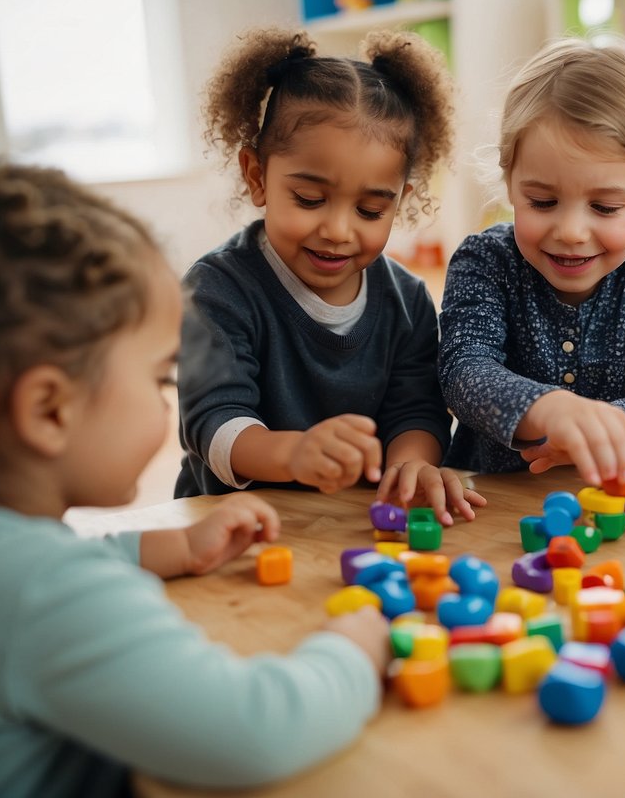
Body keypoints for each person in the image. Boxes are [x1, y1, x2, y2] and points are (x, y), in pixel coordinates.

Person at [0, 162, 391, 794]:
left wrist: (164, 548)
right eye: (158, 379)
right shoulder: (42, 593)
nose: (166, 399)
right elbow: (255, 730)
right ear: (49, 410)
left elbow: (49, 571)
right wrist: (351, 649)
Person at [178, 27, 483, 525]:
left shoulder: (407, 299)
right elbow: (214, 424)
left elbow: (417, 411)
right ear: (257, 176)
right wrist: (293, 455)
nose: (338, 230)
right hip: (229, 529)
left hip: (351, 528)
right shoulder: (217, 289)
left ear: (399, 203)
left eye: (368, 210)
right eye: (310, 200)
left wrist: (411, 465)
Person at [437, 37, 625, 485]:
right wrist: (547, 409)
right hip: (488, 499)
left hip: (609, 503)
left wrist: (623, 428)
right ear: (510, 183)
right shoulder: (485, 261)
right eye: (542, 201)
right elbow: (463, 370)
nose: (571, 231)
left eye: (604, 208)